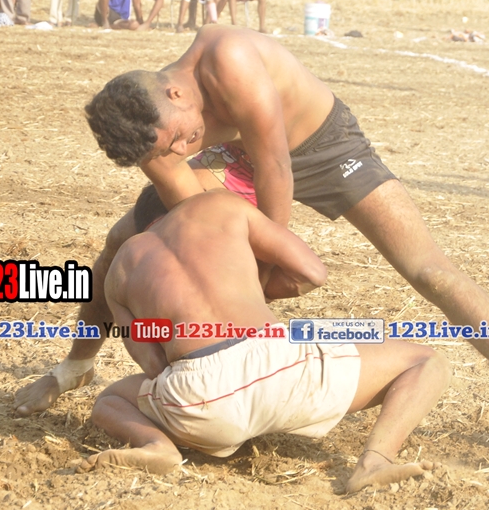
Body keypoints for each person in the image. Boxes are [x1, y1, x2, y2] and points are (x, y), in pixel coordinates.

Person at [14, 26, 489, 459]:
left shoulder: (228, 59)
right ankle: (75, 366)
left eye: (180, 139)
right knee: (121, 241)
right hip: (232, 160)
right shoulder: (149, 126)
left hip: (321, 149)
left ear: (175, 93)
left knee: (429, 271)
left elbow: (276, 167)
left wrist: (265, 267)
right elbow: (188, 205)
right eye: (168, 152)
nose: (181, 151)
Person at [79, 189, 452, 492]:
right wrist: (253, 294)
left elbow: (153, 365)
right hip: (285, 370)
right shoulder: (220, 205)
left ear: (143, 223)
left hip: (201, 405)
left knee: (111, 399)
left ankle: (157, 446)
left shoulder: (120, 268)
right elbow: (312, 273)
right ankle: (375, 461)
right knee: (426, 362)